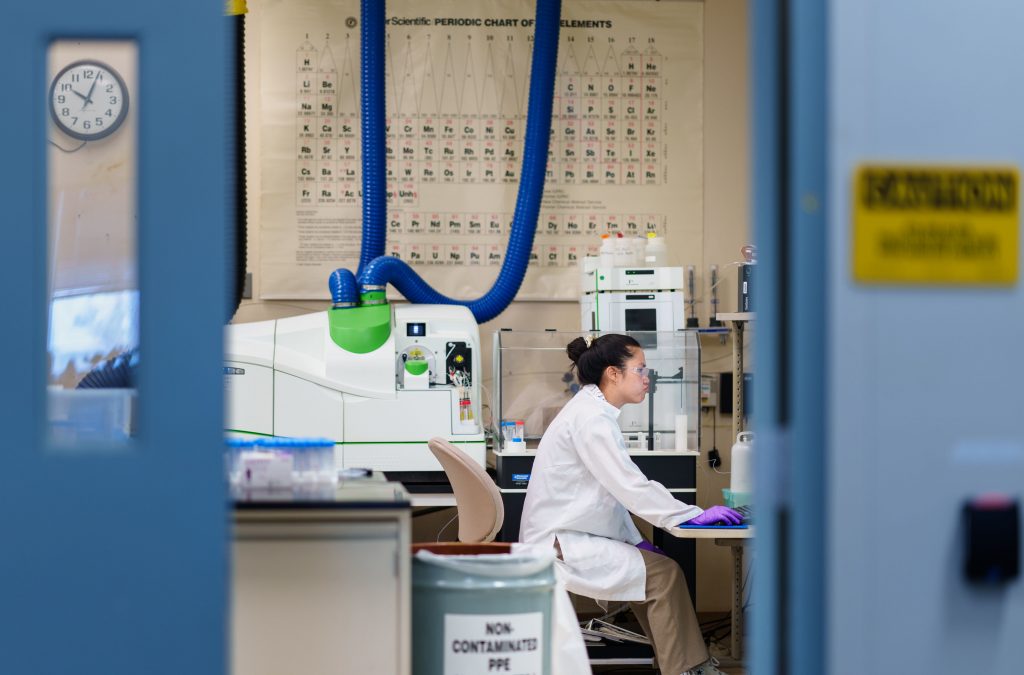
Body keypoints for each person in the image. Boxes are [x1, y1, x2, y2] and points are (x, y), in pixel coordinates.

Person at [519, 334, 743, 675]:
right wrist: (694, 515)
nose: (646, 378)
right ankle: (688, 669)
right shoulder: (592, 420)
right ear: (613, 374)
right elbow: (629, 487)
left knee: (653, 570)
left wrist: (637, 541)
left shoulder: (592, 411)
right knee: (664, 577)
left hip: (567, 535)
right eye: (640, 369)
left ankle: (679, 663)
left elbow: (607, 494)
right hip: (559, 544)